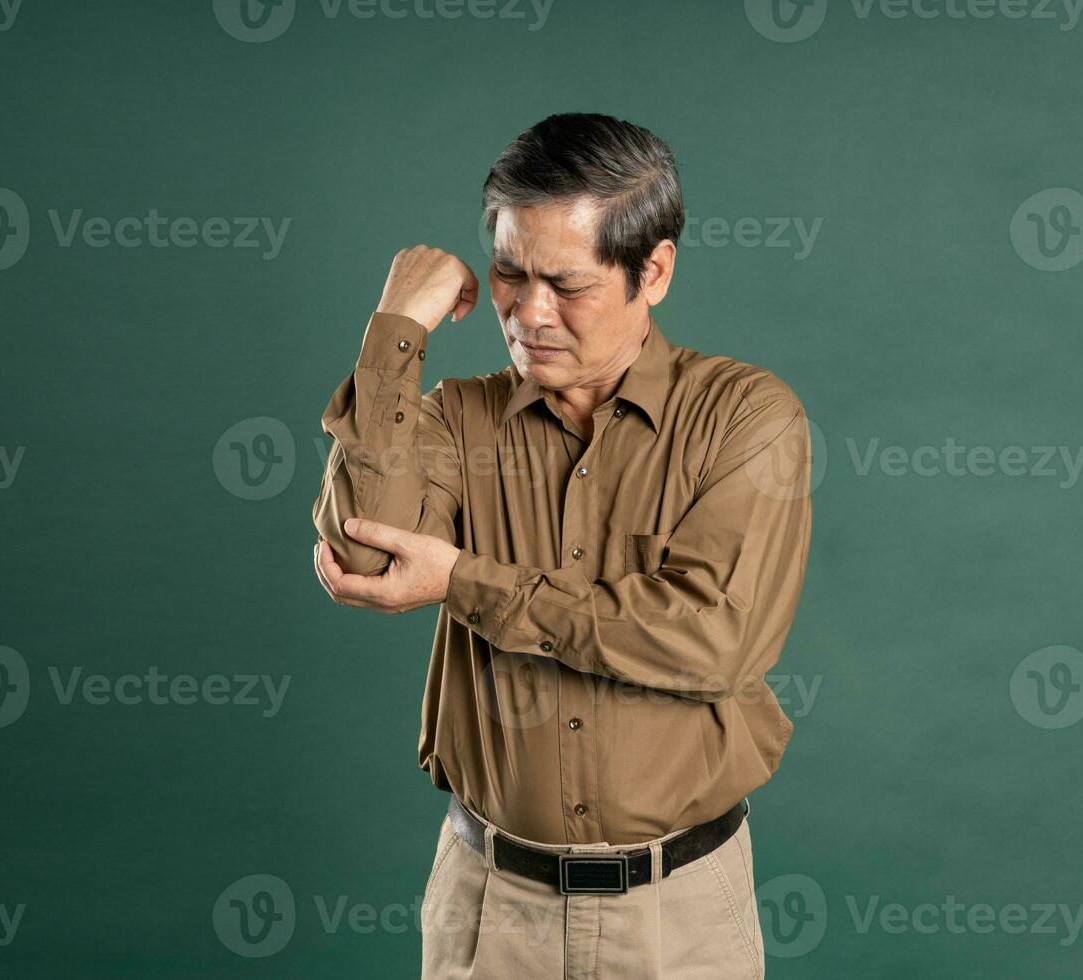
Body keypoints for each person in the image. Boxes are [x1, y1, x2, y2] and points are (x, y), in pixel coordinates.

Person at [311, 112, 813, 979]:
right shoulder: (458, 419)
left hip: (682, 915)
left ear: (651, 271)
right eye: (509, 273)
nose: (528, 312)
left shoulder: (747, 419)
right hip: (489, 907)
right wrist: (396, 331)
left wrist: (466, 582)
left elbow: (714, 637)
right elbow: (362, 557)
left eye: (565, 285)